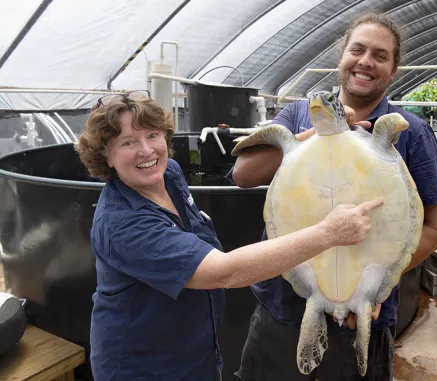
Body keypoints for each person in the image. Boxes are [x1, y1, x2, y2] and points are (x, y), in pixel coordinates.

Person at [74, 90, 384, 381]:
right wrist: (329, 233)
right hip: (143, 367)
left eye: (152, 135)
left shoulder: (167, 174)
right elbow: (225, 271)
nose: (146, 151)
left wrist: (322, 132)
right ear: (106, 155)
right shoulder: (124, 225)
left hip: (195, 351)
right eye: (128, 142)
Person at [232, 11, 437, 381]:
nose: (365, 62)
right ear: (341, 57)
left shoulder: (408, 130)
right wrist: (322, 131)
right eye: (358, 50)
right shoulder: (301, 114)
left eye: (380, 56)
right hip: (280, 304)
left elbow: (435, 226)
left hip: (365, 306)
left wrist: (375, 286)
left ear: (394, 70)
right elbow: (243, 175)